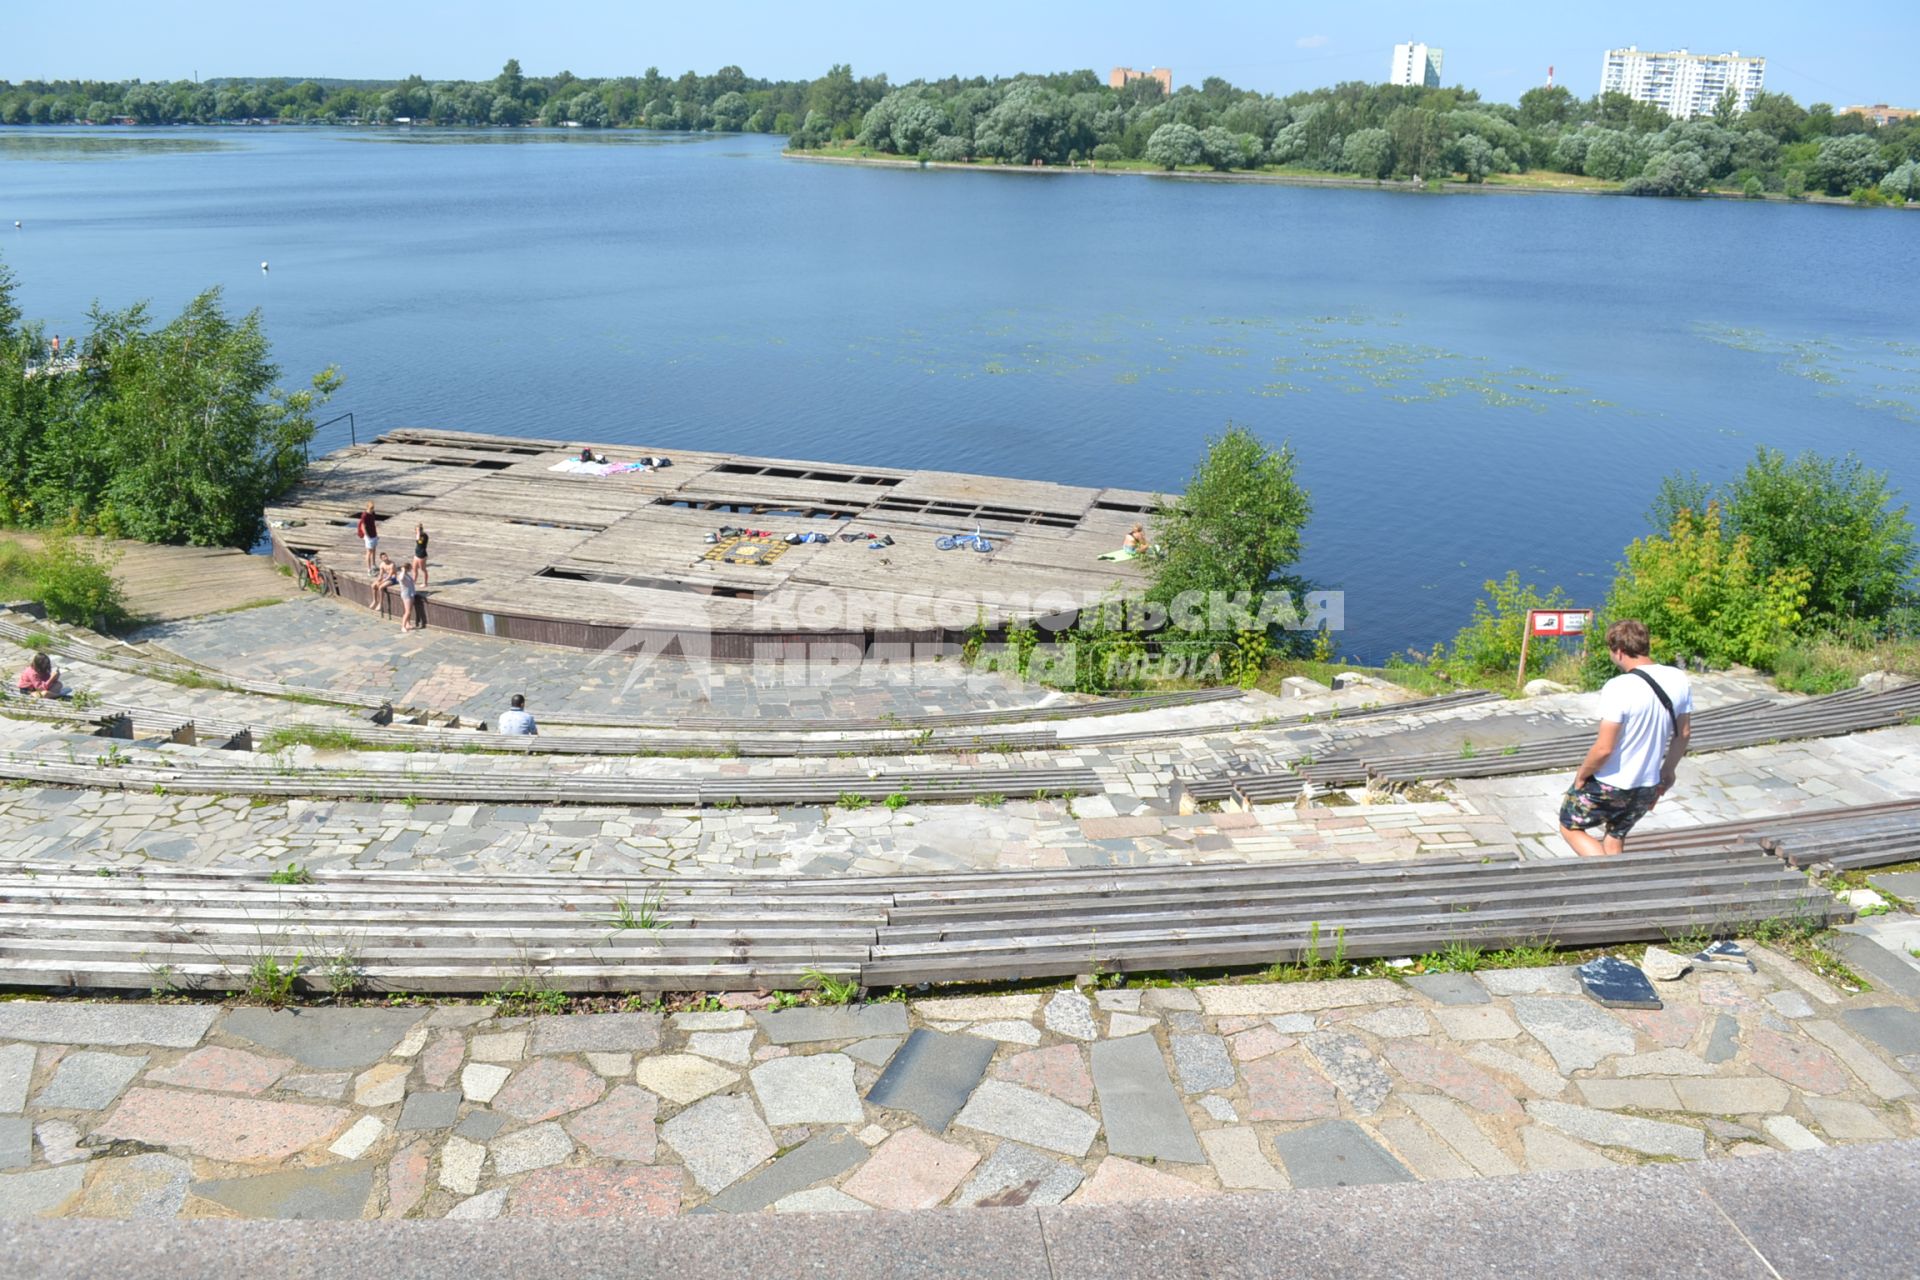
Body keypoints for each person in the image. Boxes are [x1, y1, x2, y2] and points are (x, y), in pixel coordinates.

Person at [1559, 619, 1693, 857]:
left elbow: (1604, 748)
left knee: (1570, 825)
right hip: (1647, 785)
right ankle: (1619, 882)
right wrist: (1668, 771)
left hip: (1611, 784)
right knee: (1615, 836)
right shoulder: (1678, 678)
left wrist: (1581, 775)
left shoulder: (1618, 687)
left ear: (1619, 651)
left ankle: (1605, 878)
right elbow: (1683, 734)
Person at [356, 501, 380, 575]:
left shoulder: (373, 513)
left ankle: (373, 564)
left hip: (374, 534)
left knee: (374, 549)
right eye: (371, 508)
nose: (372, 509)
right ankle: (369, 570)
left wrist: (376, 533)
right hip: (368, 536)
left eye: (373, 508)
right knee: (369, 552)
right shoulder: (364, 515)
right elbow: (363, 527)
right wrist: (367, 536)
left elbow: (373, 523)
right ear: (367, 507)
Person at [397, 563, 420, 632]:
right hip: (406, 594)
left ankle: (408, 623)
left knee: (409, 610)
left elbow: (412, 581)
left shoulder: (407, 575)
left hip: (411, 593)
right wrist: (403, 570)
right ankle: (403, 626)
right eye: (410, 567)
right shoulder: (401, 574)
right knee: (407, 611)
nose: (411, 568)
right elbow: (401, 579)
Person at [411, 523, 430, 589]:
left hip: (422, 555)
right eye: (416, 530)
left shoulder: (424, 536)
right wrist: (417, 533)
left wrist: (418, 532)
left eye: (419, 530)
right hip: (416, 554)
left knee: (423, 569)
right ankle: (414, 581)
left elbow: (418, 541)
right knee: (414, 568)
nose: (417, 531)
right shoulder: (417, 535)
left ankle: (425, 583)